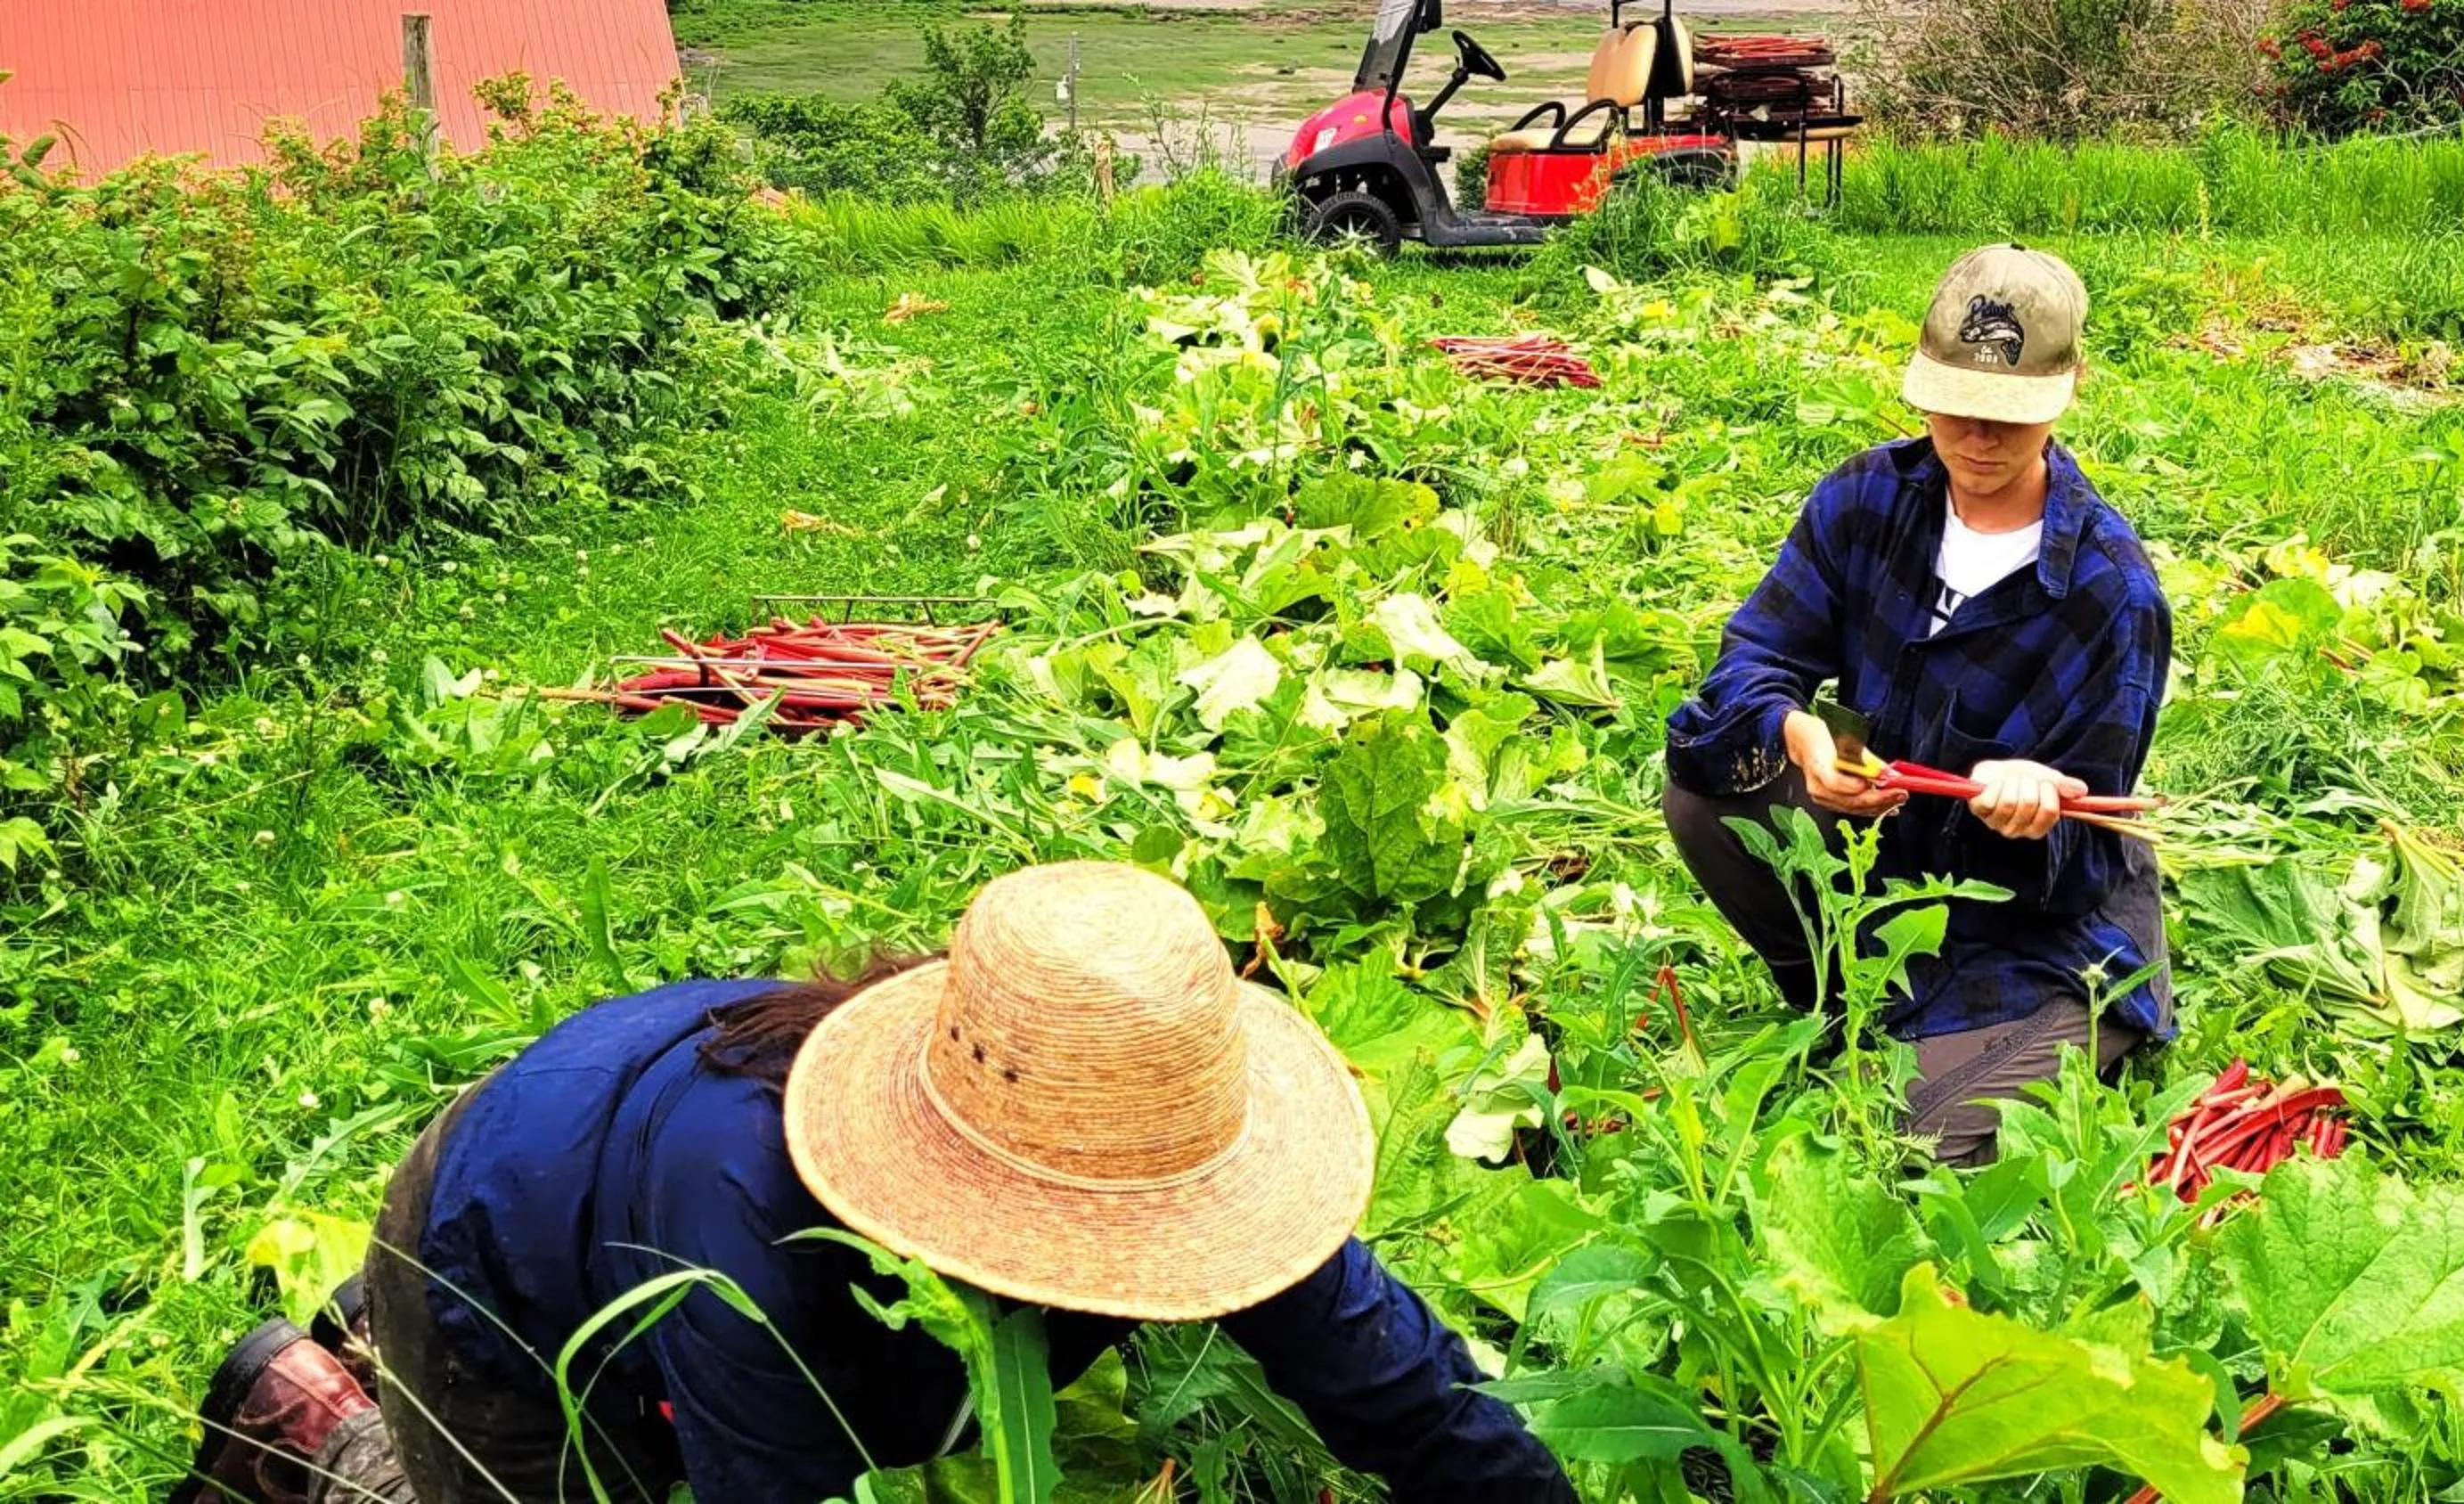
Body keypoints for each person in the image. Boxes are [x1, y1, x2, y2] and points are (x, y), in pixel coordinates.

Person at [175, 861, 1577, 1504]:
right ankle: (324, 1426)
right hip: (503, 1237)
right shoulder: (757, 1244)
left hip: (636, 1168)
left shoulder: (1172, 1129)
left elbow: (1404, 1392)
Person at [1661, 243, 2174, 1167]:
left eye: (2008, 414)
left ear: (2069, 388)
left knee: (1912, 1134)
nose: (1978, 435)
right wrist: (1800, 732)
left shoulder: (2111, 593)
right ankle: (1837, 999)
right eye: (1958, 403)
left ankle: (2025, 1035)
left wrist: (2034, 810)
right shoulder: (1866, 500)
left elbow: (2088, 856)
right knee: (1709, 780)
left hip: (2035, 928)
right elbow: (1750, 662)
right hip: (1889, 863)